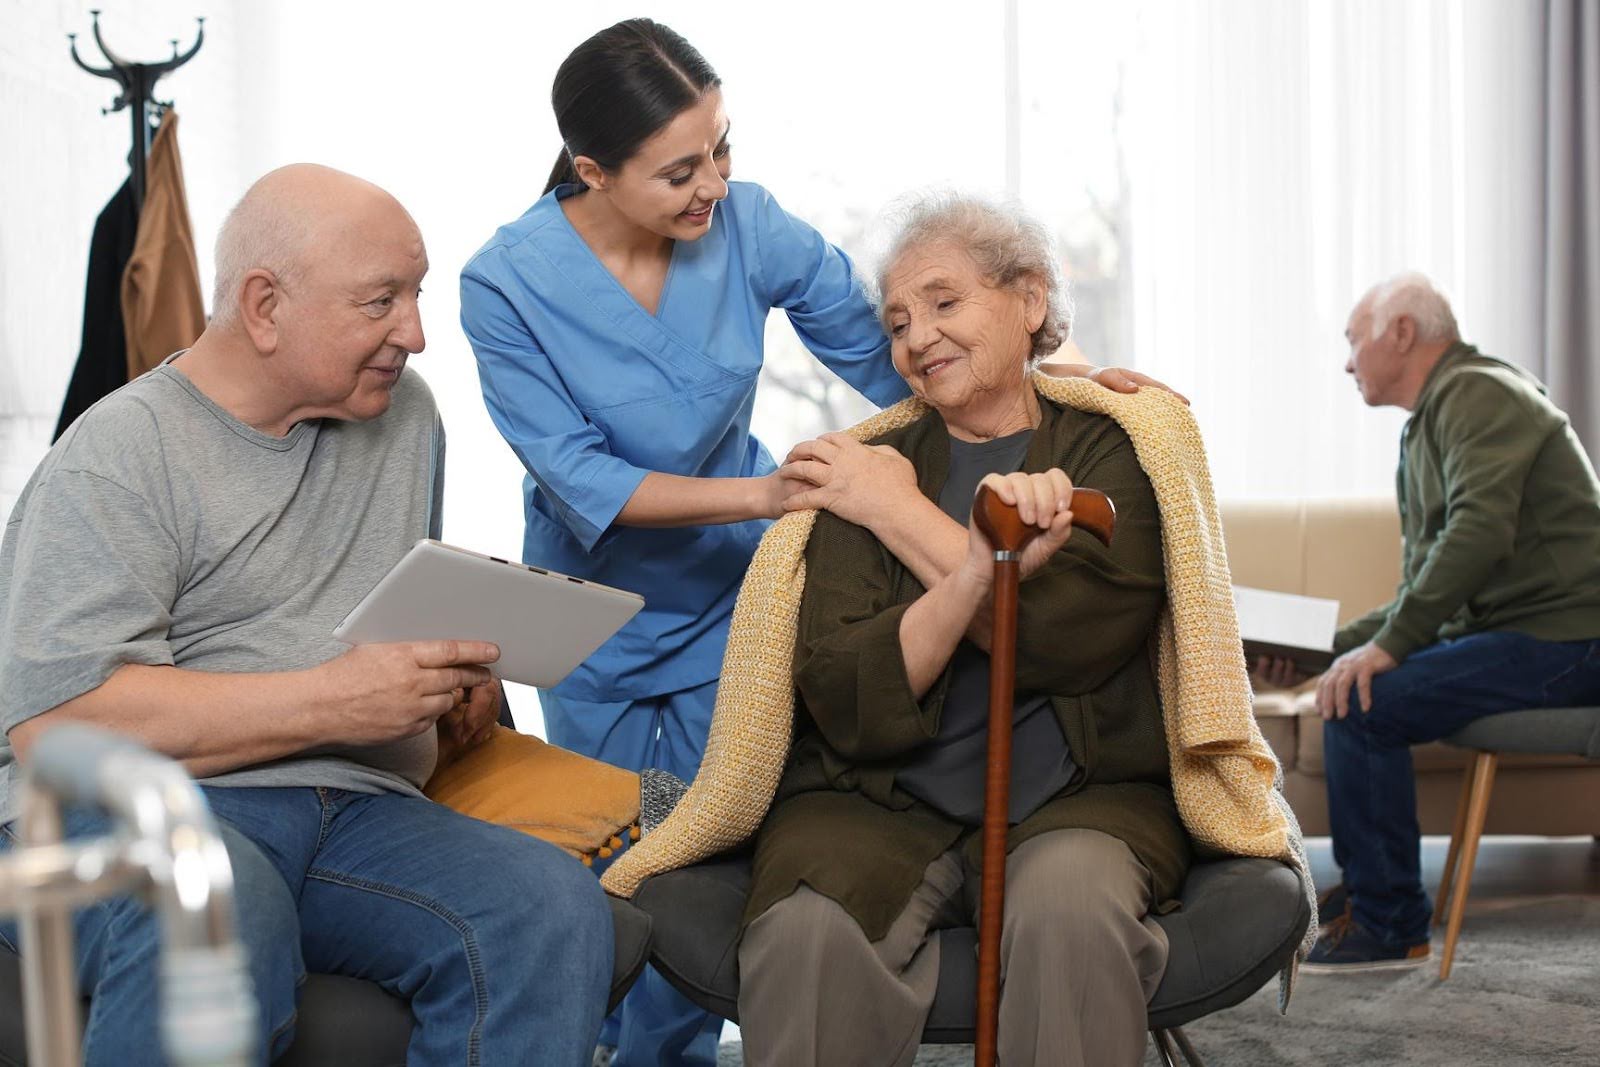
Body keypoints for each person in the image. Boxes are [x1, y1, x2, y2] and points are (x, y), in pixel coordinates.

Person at [459, 21, 1175, 1064]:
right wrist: (776, 492)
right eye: (678, 170)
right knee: (609, 859)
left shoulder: (747, 224)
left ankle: (676, 1054)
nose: (713, 183)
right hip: (598, 607)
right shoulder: (505, 282)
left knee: (705, 856)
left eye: (723, 147)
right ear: (591, 172)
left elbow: (909, 351)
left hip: (729, 600)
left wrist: (1067, 382)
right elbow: (580, 477)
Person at [0, 164, 613, 1065]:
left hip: (356, 807)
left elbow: (371, 613)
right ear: (264, 306)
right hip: (121, 807)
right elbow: (54, 728)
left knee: (548, 905)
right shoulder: (118, 457)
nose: (416, 332)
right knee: (214, 897)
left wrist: (451, 691)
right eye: (381, 302)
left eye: (417, 294)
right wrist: (334, 702)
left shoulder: (405, 417)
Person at [734, 194, 1187, 1067]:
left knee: (1072, 917)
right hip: (881, 799)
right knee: (804, 936)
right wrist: (928, 529)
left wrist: (897, 512)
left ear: (1030, 300)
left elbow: (1066, 640)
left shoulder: (1117, 447)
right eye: (899, 322)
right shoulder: (866, 465)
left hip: (1080, 797)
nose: (917, 338)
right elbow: (841, 693)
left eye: (945, 303)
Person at [1260, 272, 1600, 972]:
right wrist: (1318, 653)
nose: (1348, 361)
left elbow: (1477, 533)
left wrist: (1383, 652)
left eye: (1354, 340)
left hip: (1570, 636)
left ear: (1403, 332)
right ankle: (1370, 894)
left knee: (1365, 703)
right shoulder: (1433, 425)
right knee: (1351, 684)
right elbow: (1422, 588)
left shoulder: (1479, 393)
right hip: (1524, 635)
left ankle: (1390, 923)